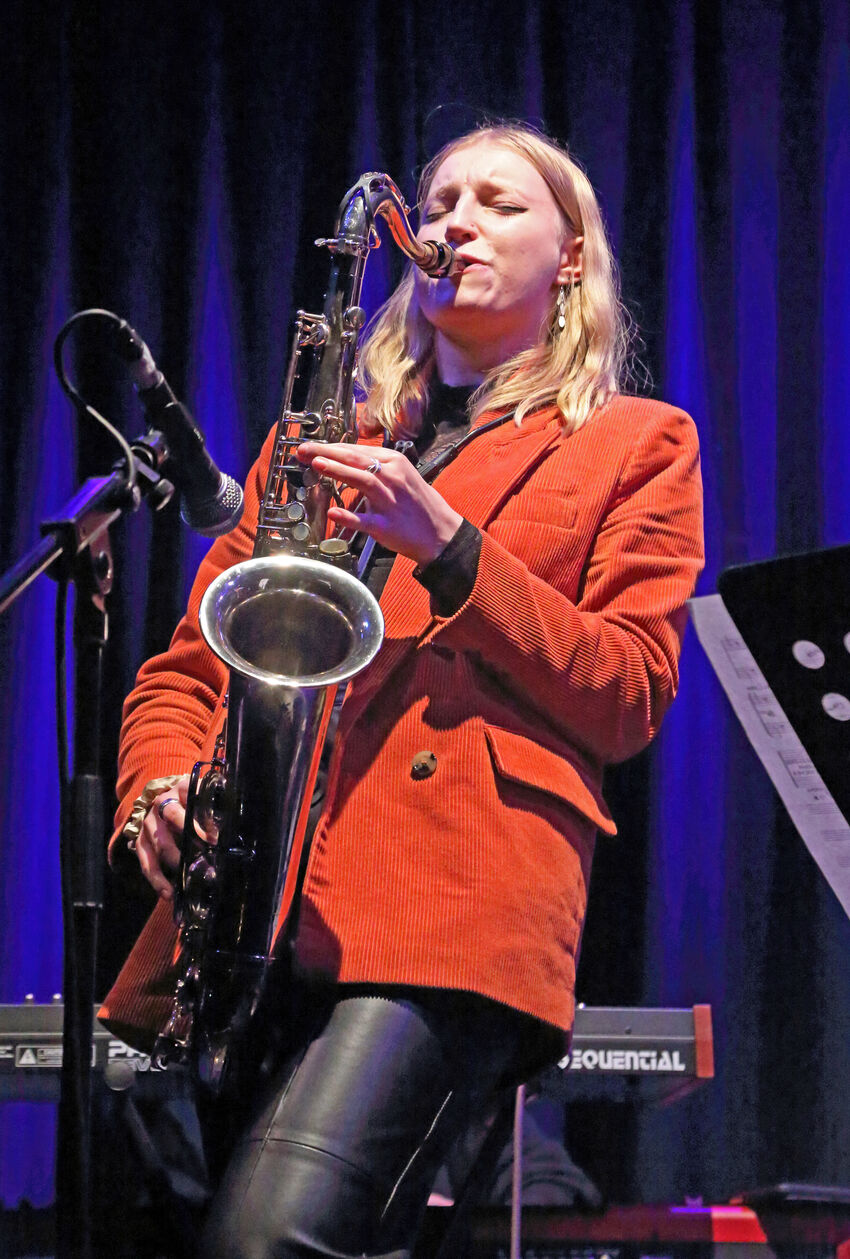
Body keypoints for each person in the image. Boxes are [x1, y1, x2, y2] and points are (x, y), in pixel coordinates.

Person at [101, 122, 704, 1258]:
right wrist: (159, 788)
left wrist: (453, 548)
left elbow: (628, 688)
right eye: (435, 203)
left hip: (448, 915)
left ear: (570, 259)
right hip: (251, 918)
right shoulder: (318, 440)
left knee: (264, 1242)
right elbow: (190, 665)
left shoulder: (635, 443)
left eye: (495, 202)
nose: (449, 223)